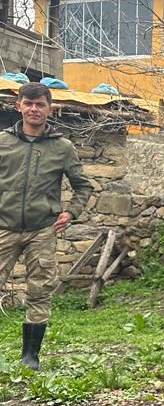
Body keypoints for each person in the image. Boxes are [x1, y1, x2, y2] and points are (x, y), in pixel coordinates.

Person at [0, 82, 93, 369]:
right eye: (28, 104)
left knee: (39, 290)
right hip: (3, 226)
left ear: (50, 109)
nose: (34, 109)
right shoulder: (3, 142)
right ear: (18, 107)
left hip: (42, 230)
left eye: (40, 104)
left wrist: (71, 213)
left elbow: (83, 187)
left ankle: (30, 356)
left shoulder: (62, 148)